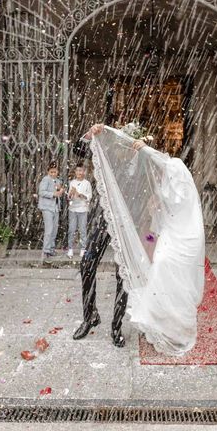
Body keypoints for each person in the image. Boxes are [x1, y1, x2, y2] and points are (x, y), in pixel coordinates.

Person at [86, 124, 205, 355]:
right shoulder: (153, 179)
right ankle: (158, 319)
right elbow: (154, 226)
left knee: (166, 270)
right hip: (156, 231)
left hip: (183, 233)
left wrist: (144, 149)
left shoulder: (175, 168)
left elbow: (164, 164)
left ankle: (173, 324)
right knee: (157, 267)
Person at [72, 124, 129, 347]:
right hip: (102, 218)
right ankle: (90, 316)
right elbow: (78, 149)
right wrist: (88, 134)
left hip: (125, 223)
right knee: (87, 264)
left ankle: (116, 326)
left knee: (122, 273)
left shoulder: (137, 159)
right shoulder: (105, 153)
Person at [38, 162, 63, 258]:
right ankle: (46, 250)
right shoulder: (45, 179)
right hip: (47, 207)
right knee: (49, 229)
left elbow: (58, 192)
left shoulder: (57, 180)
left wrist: (60, 191)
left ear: (58, 171)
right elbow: (41, 192)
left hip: (55, 208)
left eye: (55, 172)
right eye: (51, 172)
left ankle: (51, 248)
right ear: (48, 172)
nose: (53, 174)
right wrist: (53, 194)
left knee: (54, 229)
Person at [67, 163, 92, 259]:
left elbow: (89, 196)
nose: (79, 172)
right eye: (77, 170)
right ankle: (70, 248)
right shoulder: (72, 183)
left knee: (82, 229)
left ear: (84, 172)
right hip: (73, 209)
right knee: (72, 229)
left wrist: (81, 195)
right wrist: (71, 195)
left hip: (83, 209)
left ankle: (83, 248)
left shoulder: (87, 183)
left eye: (80, 170)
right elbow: (69, 197)